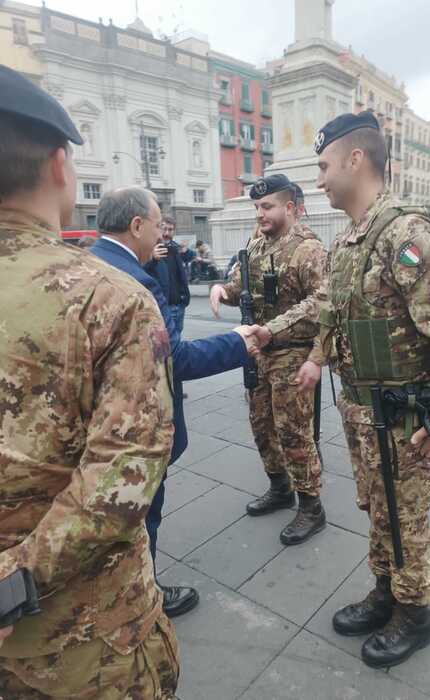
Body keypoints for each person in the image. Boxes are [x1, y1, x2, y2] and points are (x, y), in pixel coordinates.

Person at [255, 112, 430, 668]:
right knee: (378, 508)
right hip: (362, 412)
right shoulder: (352, 239)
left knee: (405, 515)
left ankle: (415, 614)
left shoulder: (406, 234)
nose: (318, 180)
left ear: (355, 159)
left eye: (323, 166)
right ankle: (386, 591)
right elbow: (333, 310)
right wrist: (315, 358)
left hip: (406, 418)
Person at [0, 65, 180, 697]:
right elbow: (123, 476)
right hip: (79, 641)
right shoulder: (108, 298)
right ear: (57, 165)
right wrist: (13, 582)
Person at [91, 187, 259, 618]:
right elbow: (175, 359)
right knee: (143, 518)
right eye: (156, 222)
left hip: (100, 430)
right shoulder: (137, 282)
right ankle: (144, 598)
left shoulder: (89, 265)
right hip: (136, 434)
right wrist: (238, 342)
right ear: (136, 226)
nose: (160, 231)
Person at [210, 174, 327, 546]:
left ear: (289, 208)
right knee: (261, 425)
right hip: (258, 353)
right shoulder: (257, 244)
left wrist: (274, 329)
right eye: (256, 207)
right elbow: (243, 287)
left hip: (292, 352)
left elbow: (322, 303)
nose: (259, 214)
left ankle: (311, 506)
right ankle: (280, 489)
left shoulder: (309, 250)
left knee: (294, 431)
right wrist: (222, 290)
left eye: (267, 207)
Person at [145, 216, 190, 335]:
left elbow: (182, 274)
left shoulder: (175, 248)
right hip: (163, 307)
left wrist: (184, 299)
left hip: (179, 306)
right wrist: (151, 258)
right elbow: (139, 271)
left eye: (170, 230)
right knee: (164, 343)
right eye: (164, 229)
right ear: (158, 229)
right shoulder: (148, 249)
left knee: (177, 342)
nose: (166, 233)